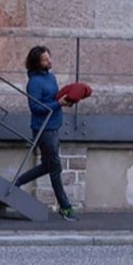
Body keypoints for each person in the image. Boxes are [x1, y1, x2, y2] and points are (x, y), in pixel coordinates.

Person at [14, 46, 78, 221]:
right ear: (36, 63)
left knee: (48, 166)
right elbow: (35, 107)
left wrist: (67, 100)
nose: (50, 62)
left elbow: (54, 99)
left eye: (49, 58)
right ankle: (65, 207)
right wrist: (59, 104)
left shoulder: (51, 77)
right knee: (55, 167)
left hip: (54, 126)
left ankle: (17, 183)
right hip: (43, 129)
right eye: (45, 59)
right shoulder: (34, 83)